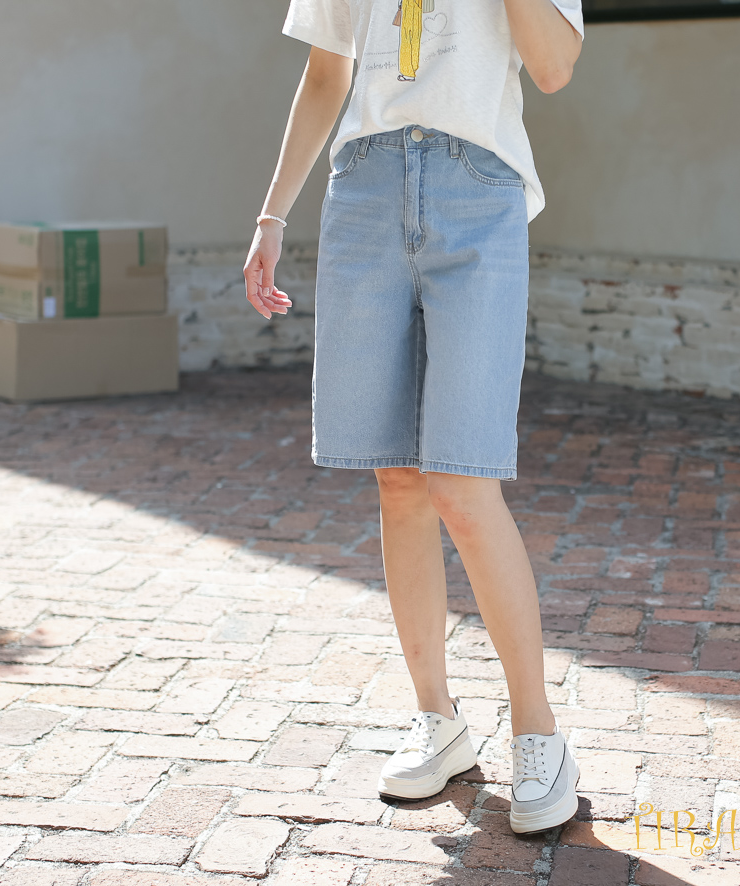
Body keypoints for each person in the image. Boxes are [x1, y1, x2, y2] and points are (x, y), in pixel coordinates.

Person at [243, 0, 584, 835]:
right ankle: (438, 720)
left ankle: (538, 731)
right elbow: (326, 71)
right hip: (364, 190)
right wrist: (272, 215)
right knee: (397, 478)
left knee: (463, 482)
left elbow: (553, 67)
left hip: (479, 190)